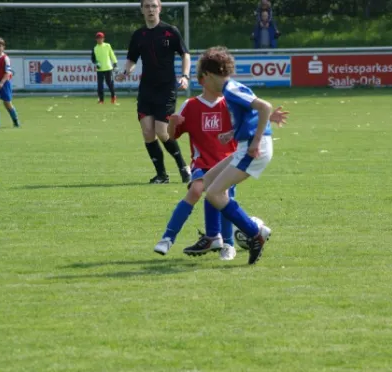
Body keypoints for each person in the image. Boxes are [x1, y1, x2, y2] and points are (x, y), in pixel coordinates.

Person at [153, 66, 288, 261]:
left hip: (234, 155)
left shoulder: (229, 98)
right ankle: (173, 238)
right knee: (199, 190)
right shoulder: (191, 105)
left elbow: (255, 112)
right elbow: (172, 135)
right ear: (204, 80)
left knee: (219, 194)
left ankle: (229, 243)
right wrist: (173, 123)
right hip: (202, 162)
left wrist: (266, 121)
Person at [191, 46, 280, 265]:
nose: (204, 84)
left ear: (210, 75)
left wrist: (256, 140)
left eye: (203, 78)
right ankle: (214, 237)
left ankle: (253, 232)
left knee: (213, 193)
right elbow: (251, 114)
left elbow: (264, 107)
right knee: (207, 181)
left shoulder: (230, 89)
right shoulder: (232, 89)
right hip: (245, 145)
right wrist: (233, 133)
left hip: (253, 148)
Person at [117, 0, 191, 184]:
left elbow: (185, 54)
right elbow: (131, 59)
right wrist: (125, 71)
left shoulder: (170, 31)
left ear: (160, 8)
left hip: (166, 88)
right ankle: (162, 175)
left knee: (162, 132)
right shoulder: (139, 35)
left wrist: (185, 76)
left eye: (154, 6)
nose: (150, 9)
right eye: (147, 6)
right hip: (146, 89)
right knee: (148, 132)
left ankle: (183, 166)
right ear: (142, 9)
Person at [91, 32, 118, 104]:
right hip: (99, 69)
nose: (99, 40)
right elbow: (93, 59)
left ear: (103, 39)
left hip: (108, 68)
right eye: (98, 38)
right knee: (100, 85)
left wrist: (115, 63)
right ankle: (101, 100)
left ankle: (113, 97)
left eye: (101, 38)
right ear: (96, 39)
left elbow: (112, 54)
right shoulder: (95, 48)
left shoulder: (107, 46)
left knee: (109, 83)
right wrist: (96, 63)